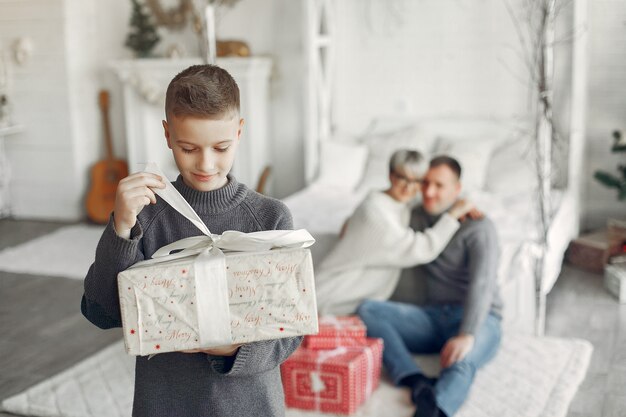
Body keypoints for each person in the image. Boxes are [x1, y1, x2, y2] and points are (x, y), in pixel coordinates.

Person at [80, 64, 301, 417]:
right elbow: (101, 312)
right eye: (188, 148)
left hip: (250, 404)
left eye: (221, 146)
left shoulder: (271, 218)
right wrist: (122, 227)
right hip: (167, 403)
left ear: (239, 132)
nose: (206, 163)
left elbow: (291, 335)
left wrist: (233, 350)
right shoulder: (147, 216)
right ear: (167, 136)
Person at [357, 156, 503, 417]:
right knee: (368, 310)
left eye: (439, 185)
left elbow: (483, 285)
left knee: (461, 363)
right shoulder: (415, 215)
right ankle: (416, 380)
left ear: (457, 189)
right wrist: (353, 223)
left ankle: (433, 410)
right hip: (433, 316)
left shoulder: (479, 227)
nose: (429, 192)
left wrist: (466, 334)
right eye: (425, 183)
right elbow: (380, 210)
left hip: (480, 319)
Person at [314, 149, 476, 316]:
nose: (409, 187)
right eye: (402, 178)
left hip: (354, 303)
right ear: (391, 175)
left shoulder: (400, 201)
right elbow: (421, 248)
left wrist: (464, 204)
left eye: (417, 181)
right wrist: (453, 215)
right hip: (331, 298)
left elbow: (440, 195)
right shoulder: (375, 212)